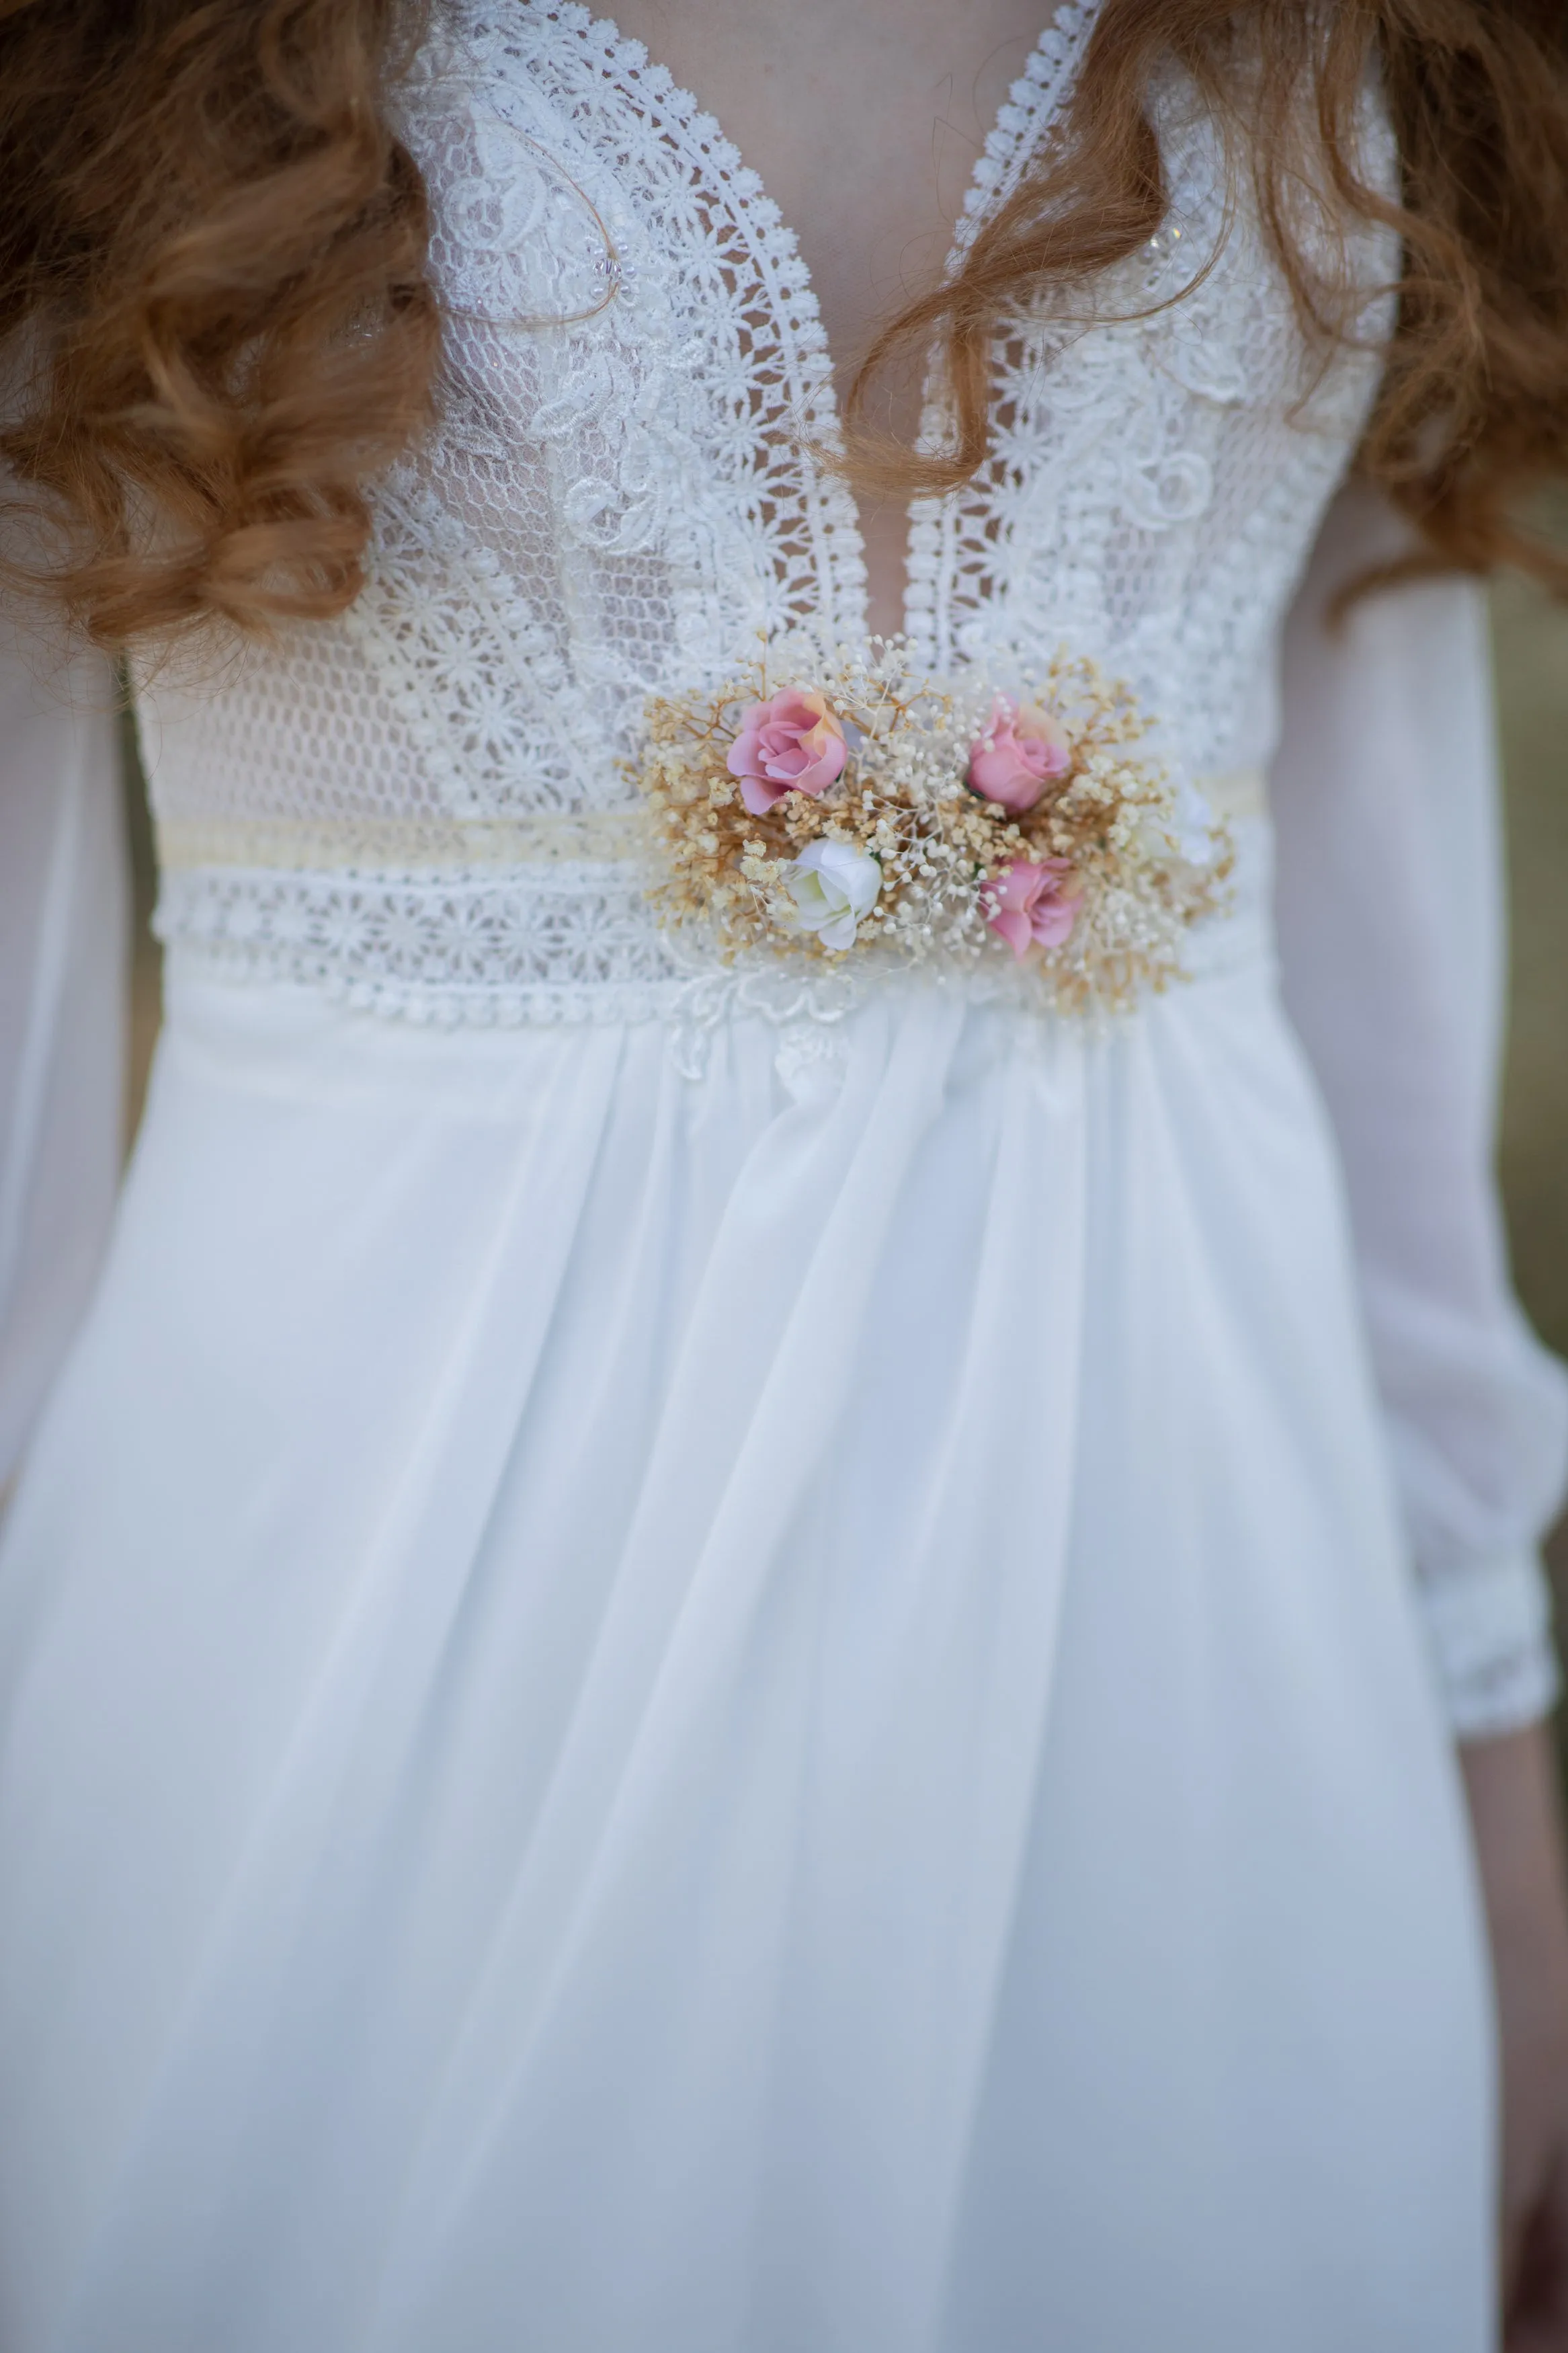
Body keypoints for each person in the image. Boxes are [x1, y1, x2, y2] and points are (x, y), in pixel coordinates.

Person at [2, 1, 1567, 2346]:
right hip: (354, 1665)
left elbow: (1359, 931)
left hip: (1188, 1670)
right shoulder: (122, 54)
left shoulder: (1388, 31)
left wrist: (1485, 1743)